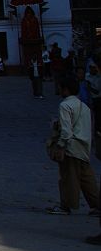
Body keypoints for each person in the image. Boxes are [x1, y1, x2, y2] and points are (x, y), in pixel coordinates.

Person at [46, 74, 99, 215]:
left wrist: (60, 145)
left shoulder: (65, 105)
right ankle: (97, 205)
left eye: (60, 88)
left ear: (66, 90)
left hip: (71, 147)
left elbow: (66, 131)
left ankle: (66, 206)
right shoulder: (84, 106)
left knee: (68, 178)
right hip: (84, 147)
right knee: (86, 178)